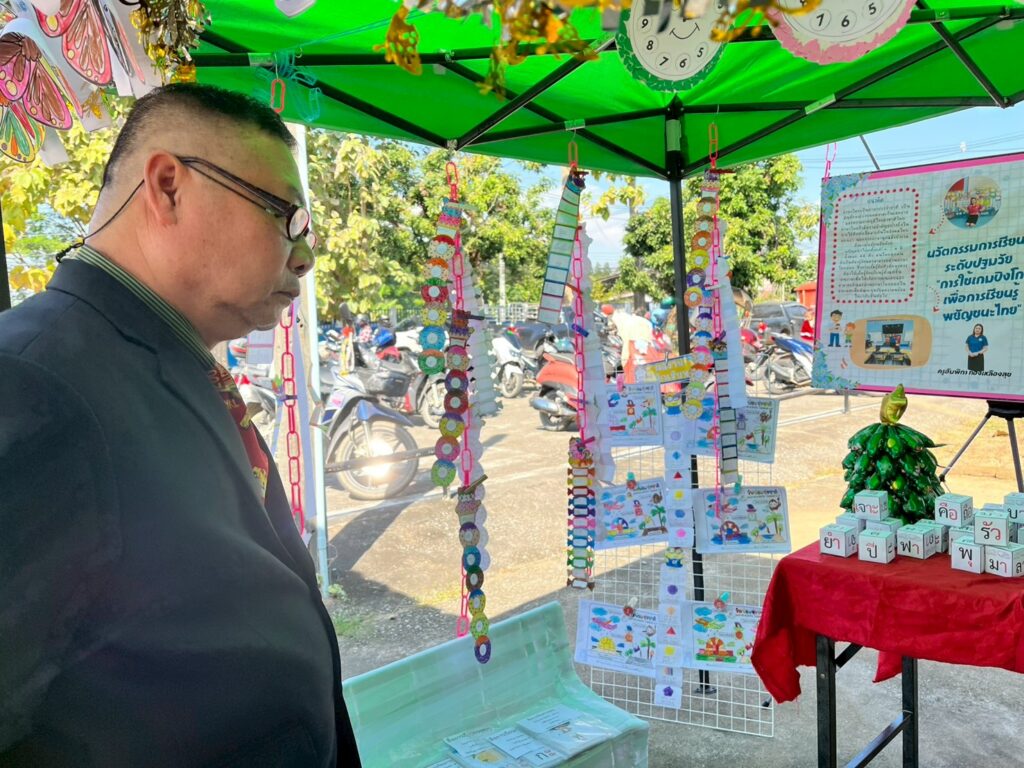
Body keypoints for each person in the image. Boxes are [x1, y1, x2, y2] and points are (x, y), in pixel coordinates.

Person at [0, 84, 361, 767]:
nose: (305, 258)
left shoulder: (156, 362)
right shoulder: (32, 382)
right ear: (167, 187)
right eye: (285, 216)